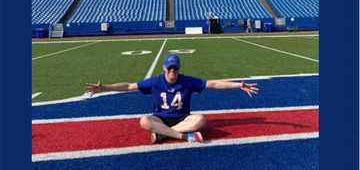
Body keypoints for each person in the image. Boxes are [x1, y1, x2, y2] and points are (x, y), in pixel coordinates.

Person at [85, 53, 259, 144]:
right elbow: (129, 86)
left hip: (182, 118)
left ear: (179, 68)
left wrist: (238, 85)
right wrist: (104, 87)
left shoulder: (188, 81)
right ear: (164, 68)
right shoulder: (155, 82)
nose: (172, 71)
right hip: (161, 118)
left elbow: (213, 84)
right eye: (169, 68)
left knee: (201, 120)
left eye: (175, 68)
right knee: (144, 121)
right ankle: (182, 137)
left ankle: (163, 136)